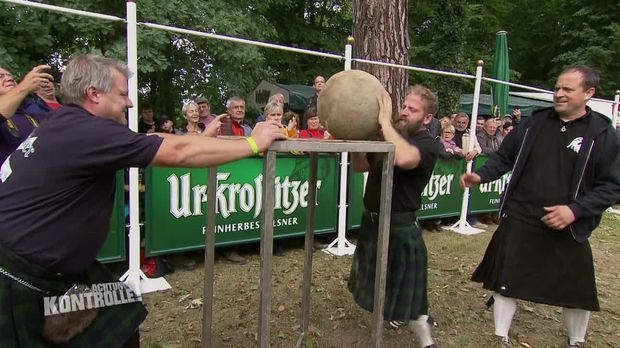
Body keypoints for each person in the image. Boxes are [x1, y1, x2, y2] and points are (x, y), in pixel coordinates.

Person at [0, 54, 285, 347]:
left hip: (52, 267)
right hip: (20, 277)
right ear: (93, 94)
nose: (131, 103)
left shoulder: (64, 121)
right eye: (123, 94)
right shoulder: (87, 132)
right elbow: (178, 152)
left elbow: (154, 140)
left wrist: (207, 138)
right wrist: (253, 143)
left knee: (121, 314)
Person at [460, 66, 620, 347]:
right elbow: (504, 157)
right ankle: (500, 337)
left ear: (589, 93)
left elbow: (611, 186)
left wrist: (575, 210)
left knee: (577, 290)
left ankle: (577, 341)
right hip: (521, 215)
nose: (558, 94)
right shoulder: (534, 123)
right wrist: (482, 175)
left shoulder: (602, 133)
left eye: (567, 89)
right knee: (506, 281)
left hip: (569, 224)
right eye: (557, 88)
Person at [348, 85, 439, 348]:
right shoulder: (392, 136)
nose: (405, 111)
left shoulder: (426, 144)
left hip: (400, 224)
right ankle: (395, 315)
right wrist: (356, 140)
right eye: (405, 106)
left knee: (412, 295)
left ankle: (426, 342)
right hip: (372, 221)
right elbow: (360, 166)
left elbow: (404, 159)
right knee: (381, 280)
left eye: (413, 109)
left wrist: (384, 124)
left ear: (427, 118)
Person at [0, 64, 53, 162]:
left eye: (10, 76)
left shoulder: (33, 114)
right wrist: (24, 86)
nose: (9, 78)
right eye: (0, 76)